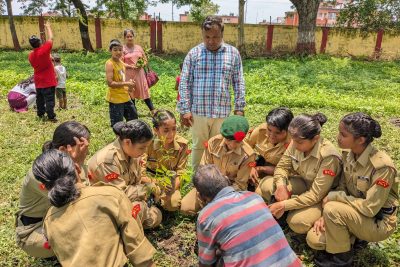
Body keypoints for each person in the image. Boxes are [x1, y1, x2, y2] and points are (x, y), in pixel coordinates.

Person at [33, 149, 156, 267]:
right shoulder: (109, 195)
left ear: (43, 187)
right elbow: (139, 252)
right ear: (76, 168)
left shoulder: (49, 222)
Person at [306, 113, 398, 267]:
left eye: (343, 134)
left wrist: (337, 199)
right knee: (314, 240)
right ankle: (354, 237)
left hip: (378, 221)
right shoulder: (350, 155)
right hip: (355, 213)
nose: (338, 137)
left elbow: (370, 208)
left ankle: (342, 259)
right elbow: (343, 186)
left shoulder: (382, 167)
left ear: (360, 140)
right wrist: (328, 214)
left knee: (332, 208)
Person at [194, 164, 302, 267]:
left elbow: (206, 262)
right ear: (227, 180)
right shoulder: (254, 197)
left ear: (201, 196)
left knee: (215, 253)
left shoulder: (207, 216)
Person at [178, 16, 245, 170]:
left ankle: (215, 178)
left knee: (220, 146)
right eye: (207, 37)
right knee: (199, 146)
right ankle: (197, 177)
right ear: (203, 35)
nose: (211, 41)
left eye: (215, 37)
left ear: (222, 34)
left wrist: (239, 107)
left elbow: (238, 81)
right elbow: (185, 82)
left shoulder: (233, 54)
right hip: (198, 111)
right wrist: (185, 109)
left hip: (221, 111)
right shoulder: (194, 54)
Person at [15, 121, 90, 258]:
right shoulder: (43, 174)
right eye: (81, 147)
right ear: (63, 150)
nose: (86, 151)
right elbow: (80, 199)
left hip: (56, 218)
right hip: (34, 232)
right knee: (89, 234)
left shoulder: (65, 165)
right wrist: (77, 163)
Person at [264, 113, 342, 235]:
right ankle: (283, 214)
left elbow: (316, 195)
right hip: (304, 183)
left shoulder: (328, 157)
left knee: (297, 222)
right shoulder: (296, 140)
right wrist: (281, 186)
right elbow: (282, 167)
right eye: (293, 140)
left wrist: (284, 205)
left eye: (299, 143)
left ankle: (314, 217)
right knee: (268, 186)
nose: (294, 145)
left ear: (315, 139)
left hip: (324, 197)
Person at [87, 120, 162, 229]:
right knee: (142, 210)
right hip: (104, 207)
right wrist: (147, 189)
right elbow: (120, 195)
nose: (145, 151)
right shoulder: (108, 161)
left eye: (146, 147)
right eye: (142, 147)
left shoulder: (132, 152)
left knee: (155, 215)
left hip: (126, 199)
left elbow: (136, 180)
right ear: (127, 142)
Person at [181, 115, 255, 215]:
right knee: (186, 208)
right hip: (209, 185)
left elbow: (240, 185)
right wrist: (203, 191)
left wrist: (219, 197)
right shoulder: (213, 143)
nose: (232, 145)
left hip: (231, 191)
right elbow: (204, 170)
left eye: (237, 142)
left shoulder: (247, 155)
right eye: (228, 140)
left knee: (227, 214)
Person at [142, 109, 189, 211]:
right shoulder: (147, 144)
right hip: (151, 179)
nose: (171, 134)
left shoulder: (182, 145)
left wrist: (171, 189)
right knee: (143, 198)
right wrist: (157, 184)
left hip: (170, 182)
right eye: (166, 130)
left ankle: (158, 202)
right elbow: (141, 173)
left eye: (174, 129)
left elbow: (181, 173)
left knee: (173, 204)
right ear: (156, 130)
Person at [246, 107, 293, 192]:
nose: (271, 135)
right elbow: (246, 149)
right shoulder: (260, 130)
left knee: (268, 189)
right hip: (259, 163)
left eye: (277, 133)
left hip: (280, 173)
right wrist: (251, 167)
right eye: (269, 130)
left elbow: (291, 171)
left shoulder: (293, 143)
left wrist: (263, 169)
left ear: (288, 130)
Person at [28, 22, 57, 122]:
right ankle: (51, 116)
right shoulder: (44, 50)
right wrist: (48, 27)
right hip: (48, 81)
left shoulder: (31, 55)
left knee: (39, 99)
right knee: (49, 100)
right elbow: (51, 38)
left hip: (38, 81)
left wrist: (48, 58)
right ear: (39, 42)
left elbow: (37, 63)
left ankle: (40, 114)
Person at [122, 29, 156, 115]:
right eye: (127, 37)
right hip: (129, 74)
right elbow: (120, 62)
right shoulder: (122, 49)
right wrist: (130, 66)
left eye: (131, 36)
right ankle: (134, 113)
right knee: (131, 93)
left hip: (139, 74)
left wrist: (142, 64)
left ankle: (153, 111)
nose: (129, 38)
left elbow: (145, 59)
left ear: (133, 37)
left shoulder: (139, 48)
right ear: (125, 38)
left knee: (144, 91)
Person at [105, 39, 138, 127]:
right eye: (115, 50)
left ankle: (130, 137)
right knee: (118, 124)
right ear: (110, 51)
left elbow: (124, 65)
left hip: (125, 96)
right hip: (116, 99)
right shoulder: (110, 64)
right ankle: (119, 139)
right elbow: (110, 83)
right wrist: (127, 83)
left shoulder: (119, 61)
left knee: (133, 118)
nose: (118, 52)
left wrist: (132, 66)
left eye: (120, 50)